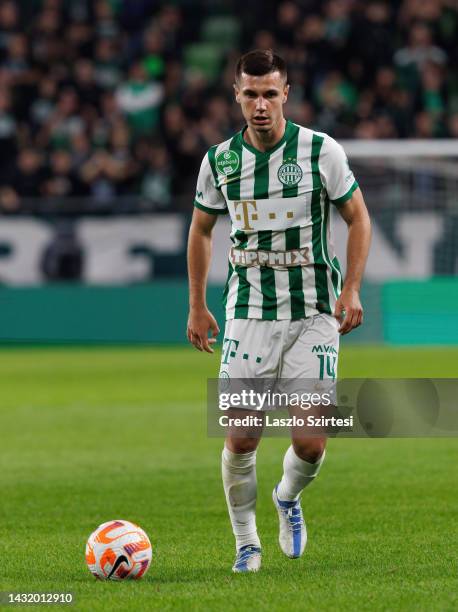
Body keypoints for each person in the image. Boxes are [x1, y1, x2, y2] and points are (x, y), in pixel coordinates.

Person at [186, 49, 371, 573]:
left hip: (314, 310)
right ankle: (246, 542)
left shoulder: (320, 151)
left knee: (311, 443)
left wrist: (351, 289)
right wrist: (198, 305)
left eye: (270, 93)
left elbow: (358, 219)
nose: (260, 104)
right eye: (251, 94)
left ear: (286, 93)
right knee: (242, 436)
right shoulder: (219, 161)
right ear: (237, 96)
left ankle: (287, 497)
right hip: (248, 314)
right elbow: (201, 231)